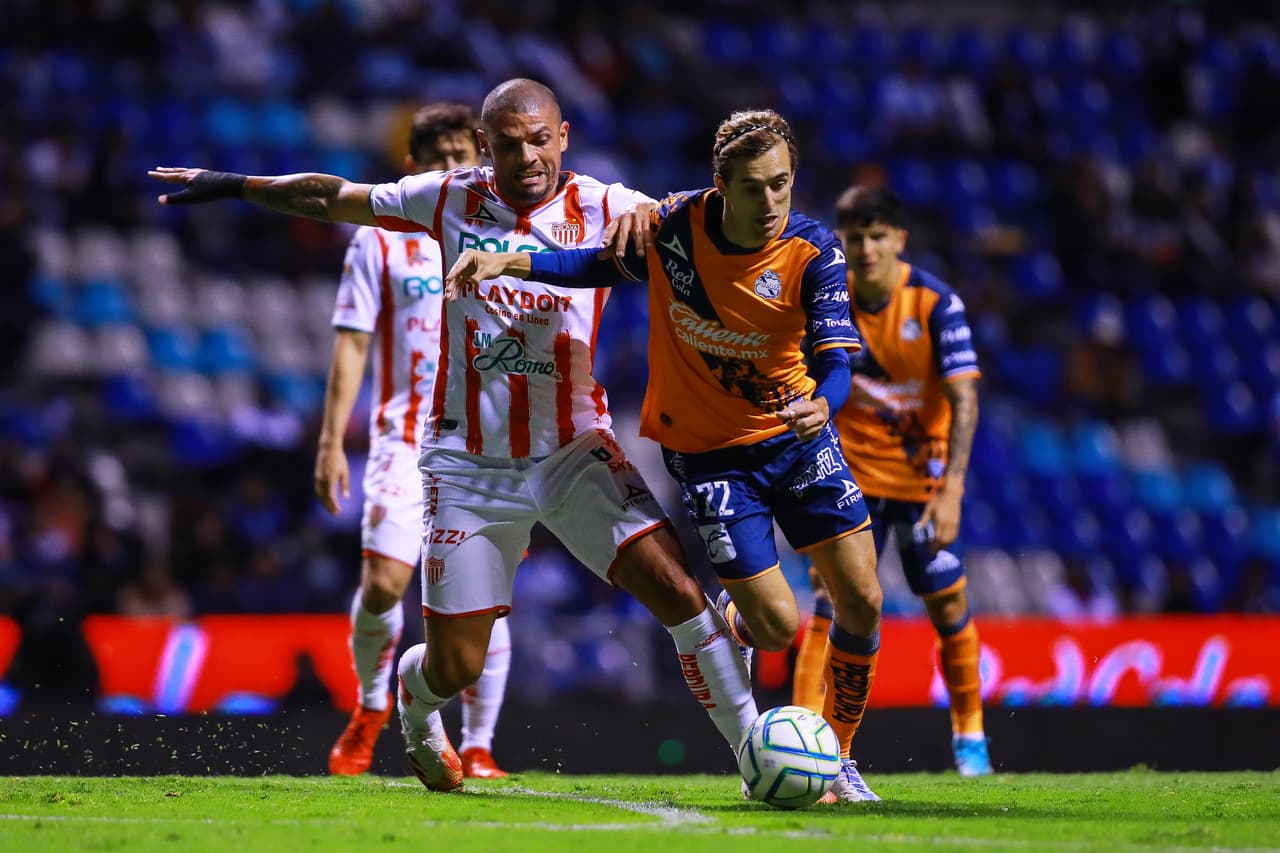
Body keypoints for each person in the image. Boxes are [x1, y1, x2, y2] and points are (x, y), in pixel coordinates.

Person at [150, 78, 757, 793]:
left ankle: (756, 754)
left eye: (539, 140)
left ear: (562, 138)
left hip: (574, 452)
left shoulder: (606, 206)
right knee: (455, 665)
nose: (526, 156)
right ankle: (415, 691)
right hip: (469, 467)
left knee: (680, 592)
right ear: (485, 146)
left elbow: (700, 231)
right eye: (508, 143)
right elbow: (330, 195)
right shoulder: (447, 196)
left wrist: (671, 216)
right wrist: (232, 184)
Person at [445, 109, 884, 803]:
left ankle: (841, 757)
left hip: (799, 437)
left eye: (781, 185)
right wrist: (511, 258)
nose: (769, 203)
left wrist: (824, 404)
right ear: (720, 185)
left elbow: (835, 361)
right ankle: (738, 624)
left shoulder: (815, 252)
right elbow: (599, 263)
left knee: (862, 598)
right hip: (710, 455)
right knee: (778, 628)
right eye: (752, 188)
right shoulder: (676, 226)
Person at [318, 102, 510, 779]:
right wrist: (329, 442)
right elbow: (352, 341)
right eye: (439, 157)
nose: (453, 168)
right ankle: (372, 704)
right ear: (414, 167)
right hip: (404, 437)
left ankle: (480, 743)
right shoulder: (379, 238)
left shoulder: (499, 231)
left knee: (484, 590)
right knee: (384, 580)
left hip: (483, 437)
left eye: (464, 156)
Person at [791, 186, 992, 777]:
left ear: (899, 240)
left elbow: (964, 397)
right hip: (849, 479)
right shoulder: (830, 298)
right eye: (856, 237)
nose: (867, 248)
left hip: (921, 482)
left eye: (878, 236)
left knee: (944, 597)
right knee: (833, 600)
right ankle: (806, 739)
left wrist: (953, 487)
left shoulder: (935, 305)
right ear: (844, 240)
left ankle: (970, 738)